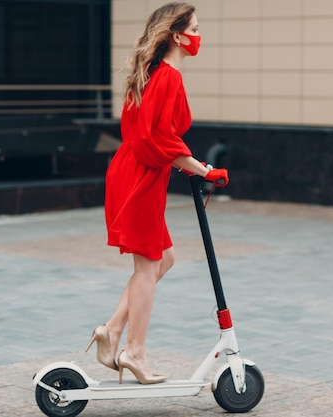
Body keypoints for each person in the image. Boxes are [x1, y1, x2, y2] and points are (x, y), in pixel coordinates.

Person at [85, 2, 229, 385]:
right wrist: (201, 168)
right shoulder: (167, 77)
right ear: (178, 35)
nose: (199, 35)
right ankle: (134, 352)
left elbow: (153, 134)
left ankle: (111, 330)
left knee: (163, 260)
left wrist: (191, 163)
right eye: (195, 28)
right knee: (148, 266)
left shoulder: (153, 75)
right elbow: (157, 137)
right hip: (142, 176)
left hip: (135, 171)